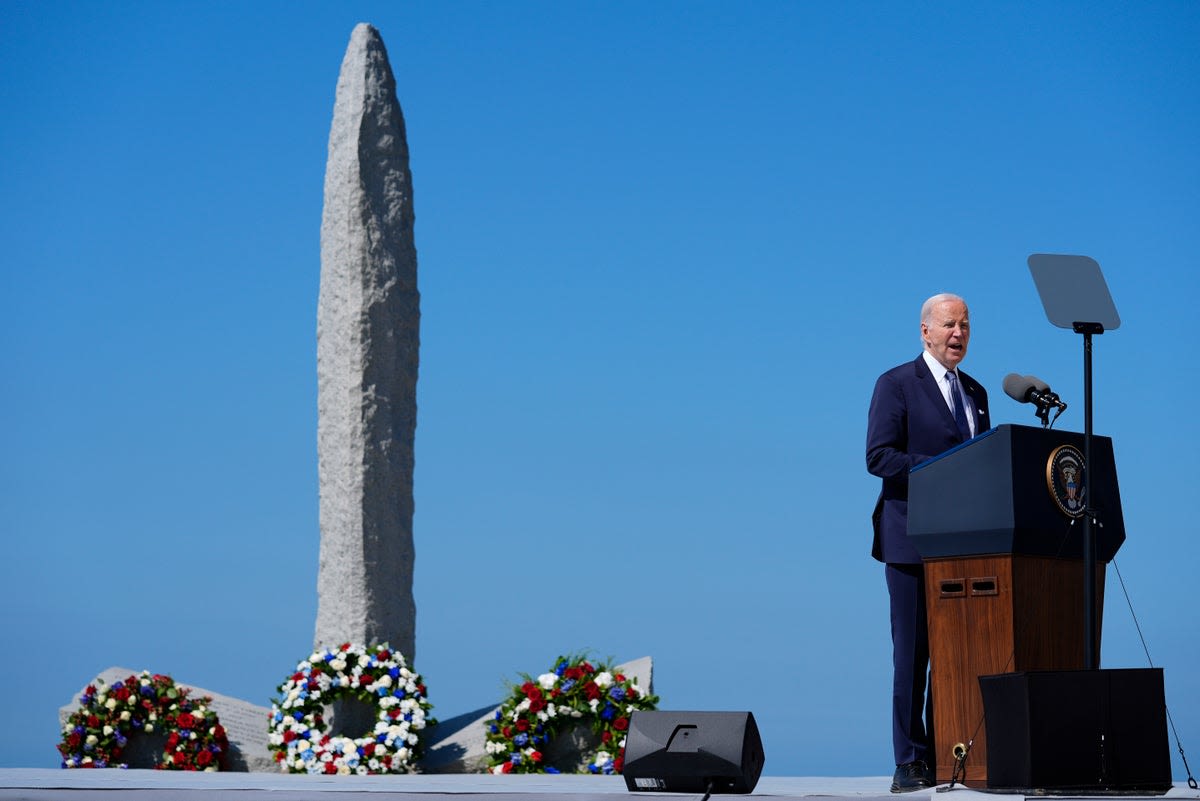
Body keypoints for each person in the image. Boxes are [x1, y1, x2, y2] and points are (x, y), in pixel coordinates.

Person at [865, 293, 989, 792]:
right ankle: (909, 761)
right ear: (925, 331)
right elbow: (879, 457)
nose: (957, 333)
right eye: (948, 325)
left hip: (964, 544)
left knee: (956, 656)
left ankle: (946, 754)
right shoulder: (896, 384)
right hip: (910, 540)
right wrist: (940, 471)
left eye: (965, 325)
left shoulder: (977, 391)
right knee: (912, 657)